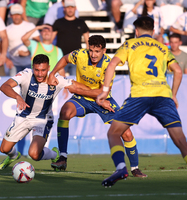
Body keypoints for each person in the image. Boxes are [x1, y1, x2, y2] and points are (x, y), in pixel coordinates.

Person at [96, 16, 187, 189]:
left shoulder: (129, 44)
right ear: (153, 31)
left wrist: (104, 91)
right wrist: (174, 95)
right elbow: (178, 71)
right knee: (180, 140)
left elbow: (111, 66)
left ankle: (120, 168)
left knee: (113, 133)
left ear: (136, 31)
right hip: (163, 95)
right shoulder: (163, 48)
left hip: (140, 95)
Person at [47, 35, 147, 177]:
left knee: (126, 132)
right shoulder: (80, 54)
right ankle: (62, 157)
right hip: (82, 99)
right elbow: (64, 59)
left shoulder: (108, 65)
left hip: (102, 99)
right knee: (65, 112)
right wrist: (52, 73)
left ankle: (135, 168)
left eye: (97, 51)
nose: (93, 55)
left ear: (104, 50)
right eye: (91, 51)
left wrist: (77, 90)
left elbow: (102, 92)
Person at [0, 54, 86, 170]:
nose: (40, 74)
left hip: (42, 120)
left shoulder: (57, 79)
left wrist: (99, 92)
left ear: (49, 68)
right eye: (37, 70)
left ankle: (55, 155)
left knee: (34, 154)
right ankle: (14, 155)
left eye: (43, 70)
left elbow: (78, 86)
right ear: (32, 67)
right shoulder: (26, 75)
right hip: (23, 117)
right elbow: (4, 86)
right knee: (4, 149)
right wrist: (17, 97)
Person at [52, 0, 89, 76]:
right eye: (68, 7)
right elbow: (50, 40)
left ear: (75, 8)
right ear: (64, 8)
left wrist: (87, 57)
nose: (70, 9)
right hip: (60, 58)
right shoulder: (58, 22)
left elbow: (88, 41)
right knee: (59, 82)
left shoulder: (81, 22)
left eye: (72, 7)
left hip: (76, 58)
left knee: (75, 82)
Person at [6, 3, 39, 76]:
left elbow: (39, 44)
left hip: (30, 64)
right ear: (11, 15)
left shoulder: (30, 26)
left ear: (22, 14)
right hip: (14, 65)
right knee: (14, 86)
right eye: (14, 14)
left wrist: (28, 53)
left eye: (18, 14)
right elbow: (1, 46)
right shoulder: (7, 29)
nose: (16, 17)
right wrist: (6, 59)